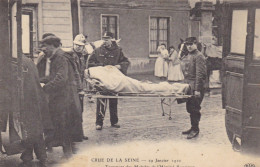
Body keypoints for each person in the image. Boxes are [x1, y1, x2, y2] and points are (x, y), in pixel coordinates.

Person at [37, 33, 80, 158]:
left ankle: (68, 157)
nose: (42, 49)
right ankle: (67, 153)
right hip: (62, 97)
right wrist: (40, 80)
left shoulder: (60, 57)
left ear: (52, 46)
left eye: (44, 46)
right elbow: (53, 76)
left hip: (65, 99)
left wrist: (45, 87)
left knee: (63, 125)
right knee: (62, 125)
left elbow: (61, 78)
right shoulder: (56, 56)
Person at [88, 31, 130, 130]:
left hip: (113, 80)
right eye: (104, 39)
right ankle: (99, 123)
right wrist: (102, 67)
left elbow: (126, 62)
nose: (105, 41)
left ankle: (114, 121)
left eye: (107, 39)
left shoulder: (118, 51)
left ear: (112, 39)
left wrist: (118, 66)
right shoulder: (97, 51)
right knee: (101, 100)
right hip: (101, 80)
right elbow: (90, 63)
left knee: (113, 101)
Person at [19, 56, 53, 167]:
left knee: (30, 128)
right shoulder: (28, 61)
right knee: (35, 128)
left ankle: (29, 156)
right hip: (36, 99)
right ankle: (40, 156)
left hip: (27, 100)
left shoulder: (17, 63)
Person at [65, 34, 89, 142]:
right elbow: (75, 74)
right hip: (74, 88)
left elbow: (82, 72)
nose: (78, 47)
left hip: (80, 87)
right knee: (74, 111)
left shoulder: (82, 56)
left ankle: (79, 133)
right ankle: (74, 135)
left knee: (80, 111)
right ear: (73, 44)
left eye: (80, 46)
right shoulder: (71, 56)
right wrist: (80, 89)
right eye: (76, 45)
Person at [180, 37, 207, 139]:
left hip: (196, 86)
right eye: (187, 45)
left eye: (191, 44)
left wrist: (197, 90)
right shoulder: (189, 55)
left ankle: (195, 129)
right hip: (189, 86)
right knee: (190, 108)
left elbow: (200, 75)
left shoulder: (199, 56)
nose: (189, 46)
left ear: (196, 44)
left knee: (194, 108)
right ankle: (193, 127)